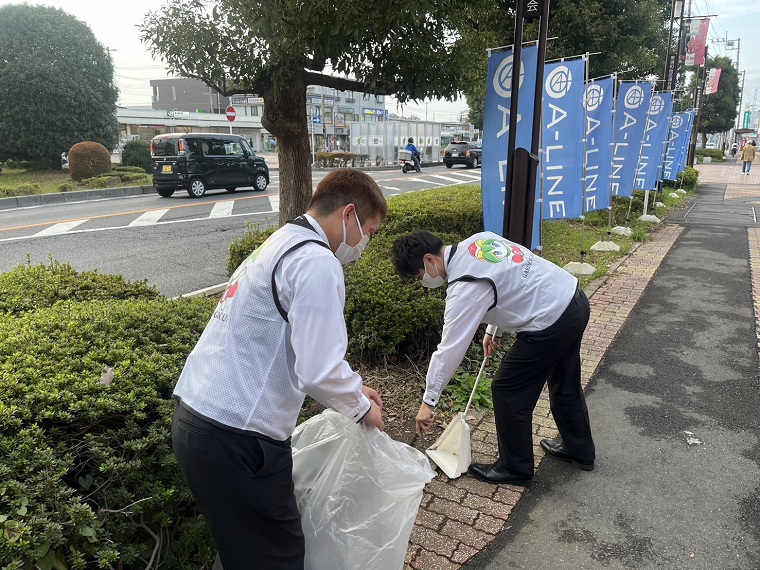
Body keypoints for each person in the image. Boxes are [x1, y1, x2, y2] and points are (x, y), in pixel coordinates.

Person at [172, 169, 388, 570]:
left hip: (198, 419)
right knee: (278, 556)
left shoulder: (283, 240)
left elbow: (301, 341)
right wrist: (360, 406)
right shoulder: (317, 261)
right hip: (240, 436)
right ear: (349, 214)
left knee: (242, 546)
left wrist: (355, 388)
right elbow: (318, 370)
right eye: (369, 232)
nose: (365, 244)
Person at [391, 230, 595, 486]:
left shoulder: (465, 285)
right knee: (564, 380)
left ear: (430, 259)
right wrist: (492, 330)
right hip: (572, 299)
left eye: (419, 275)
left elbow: (450, 348)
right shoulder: (478, 241)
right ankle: (580, 450)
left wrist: (428, 401)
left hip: (549, 320)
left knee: (507, 389)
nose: (423, 281)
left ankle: (515, 468)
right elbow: (510, 279)